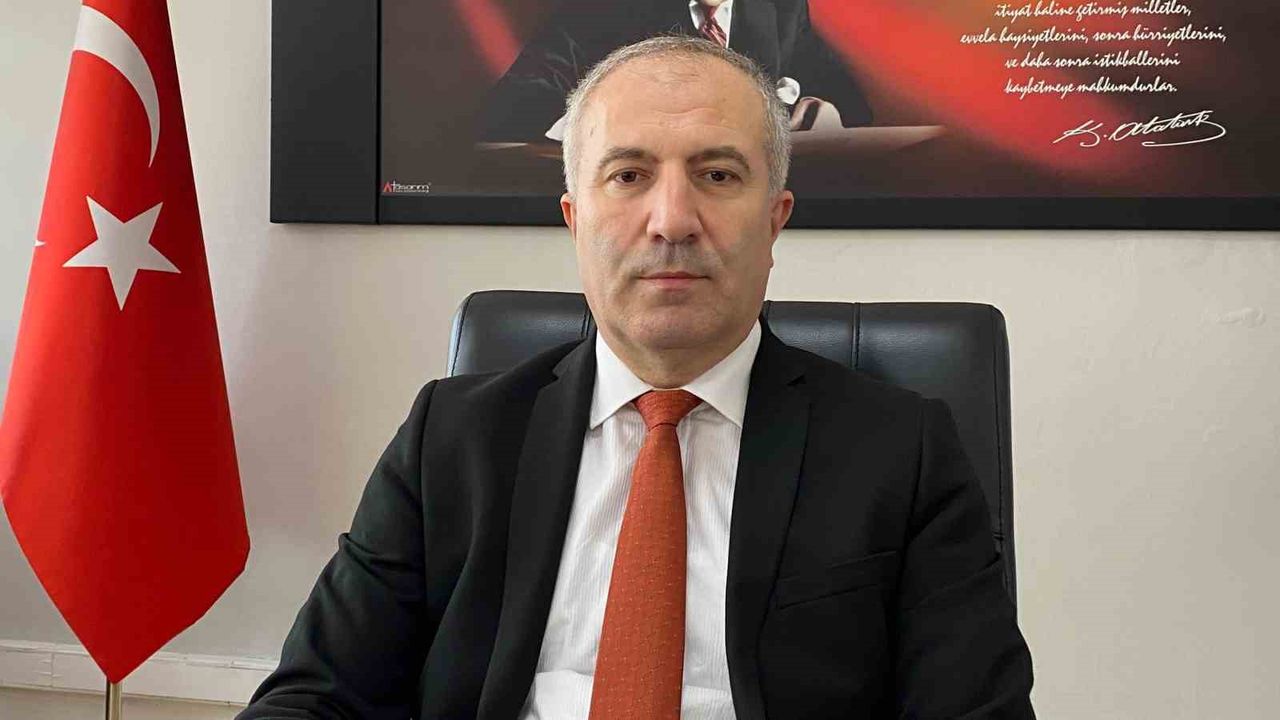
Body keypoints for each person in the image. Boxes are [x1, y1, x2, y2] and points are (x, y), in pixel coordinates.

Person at [240, 36, 1034, 720]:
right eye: (627, 176)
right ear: (573, 218)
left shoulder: (903, 453)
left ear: (775, 220)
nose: (672, 220)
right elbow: (315, 696)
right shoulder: (450, 438)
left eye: (717, 175)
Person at [478, 0, 873, 142]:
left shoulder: (781, 7)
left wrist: (823, 113)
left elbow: (851, 104)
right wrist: (604, 117)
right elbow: (512, 104)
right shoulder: (605, 8)